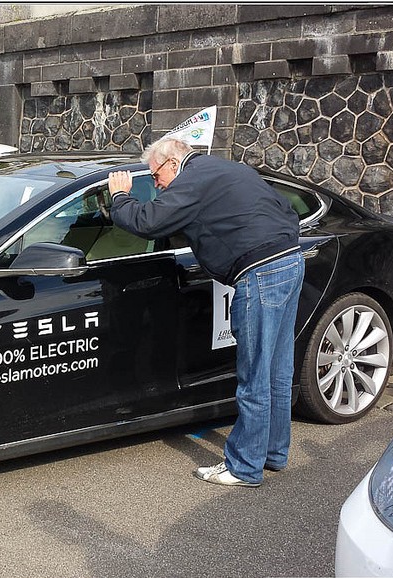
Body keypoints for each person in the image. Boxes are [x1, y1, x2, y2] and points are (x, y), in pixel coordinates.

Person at [108, 137, 304, 488]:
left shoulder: (191, 180)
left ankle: (244, 467)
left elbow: (148, 222)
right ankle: (273, 453)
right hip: (290, 261)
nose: (156, 185)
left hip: (259, 272)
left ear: (172, 162)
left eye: (155, 176)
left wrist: (120, 197)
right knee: (277, 368)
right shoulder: (224, 168)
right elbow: (285, 209)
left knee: (254, 375)